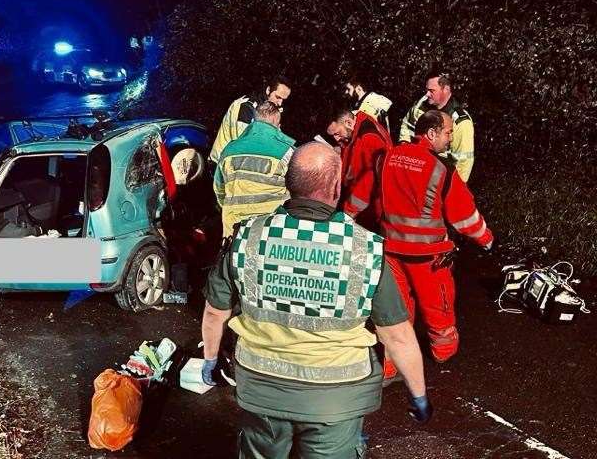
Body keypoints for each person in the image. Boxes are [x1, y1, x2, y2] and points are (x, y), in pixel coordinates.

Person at [202, 142, 432, 459]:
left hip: (262, 390)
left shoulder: (248, 236)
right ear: (337, 186)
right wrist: (418, 393)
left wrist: (211, 361)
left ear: (287, 183)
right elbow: (397, 335)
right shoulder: (365, 249)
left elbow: (215, 312)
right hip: (335, 400)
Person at [380, 110, 493, 381]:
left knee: (396, 311)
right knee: (439, 309)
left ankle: (390, 366)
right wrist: (487, 239)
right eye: (448, 132)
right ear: (431, 133)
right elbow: (464, 216)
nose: (451, 139)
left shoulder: (390, 156)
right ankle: (444, 355)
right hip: (427, 257)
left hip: (391, 249)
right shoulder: (441, 169)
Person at [213, 101, 295, 237]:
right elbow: (297, 192)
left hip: (234, 230)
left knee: (231, 257)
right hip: (271, 230)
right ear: (277, 123)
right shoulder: (288, 152)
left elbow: (219, 189)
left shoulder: (229, 150)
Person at [399, 72, 475, 182]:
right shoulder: (421, 106)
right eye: (426, 90)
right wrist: (404, 146)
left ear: (446, 90)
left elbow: (463, 162)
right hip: (413, 170)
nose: (427, 94)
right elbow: (407, 124)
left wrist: (454, 189)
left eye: (431, 91)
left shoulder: (460, 121)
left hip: (438, 179)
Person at [325, 107, 392, 225]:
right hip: (363, 209)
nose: (336, 138)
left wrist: (348, 213)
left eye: (337, 133)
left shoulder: (368, 139)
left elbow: (366, 184)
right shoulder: (360, 129)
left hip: (367, 214)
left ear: (349, 123)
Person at [209, 76, 292, 165]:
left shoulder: (269, 111)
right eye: (278, 97)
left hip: (236, 164)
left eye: (283, 100)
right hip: (219, 165)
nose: (280, 103)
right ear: (268, 90)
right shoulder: (245, 107)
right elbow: (244, 141)